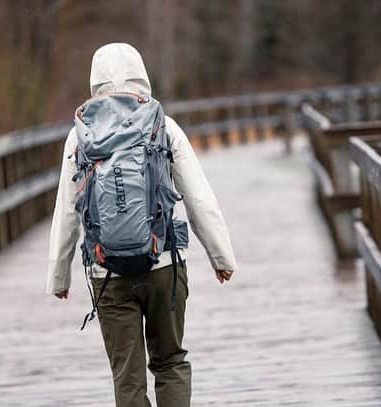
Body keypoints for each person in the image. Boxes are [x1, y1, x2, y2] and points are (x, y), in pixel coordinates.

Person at [45, 42, 238, 407]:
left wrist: (59, 275)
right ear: (141, 74)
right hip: (163, 264)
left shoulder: (79, 135)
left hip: (107, 272)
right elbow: (199, 198)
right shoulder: (164, 125)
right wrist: (221, 257)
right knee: (170, 362)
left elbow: (66, 210)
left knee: (128, 378)